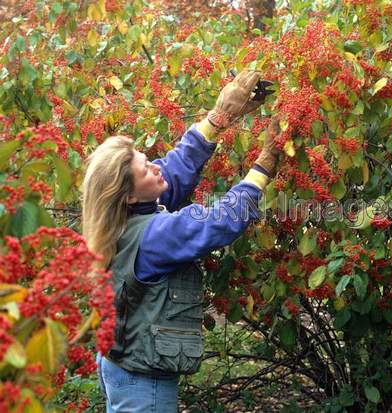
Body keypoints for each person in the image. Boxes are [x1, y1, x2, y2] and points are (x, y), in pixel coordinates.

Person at [81, 70, 280, 412]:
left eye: (147, 160)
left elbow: (176, 165)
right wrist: (263, 166)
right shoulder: (154, 235)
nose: (155, 168)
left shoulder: (117, 215)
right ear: (127, 195)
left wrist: (220, 117)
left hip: (121, 361)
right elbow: (219, 220)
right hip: (142, 379)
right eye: (146, 171)